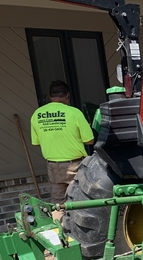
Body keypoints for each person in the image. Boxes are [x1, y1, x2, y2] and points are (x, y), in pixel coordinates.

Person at [31, 80, 94, 222]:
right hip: (75, 165)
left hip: (53, 166)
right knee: (80, 200)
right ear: (67, 96)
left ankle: (59, 236)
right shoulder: (74, 112)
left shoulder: (37, 114)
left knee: (58, 203)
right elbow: (89, 140)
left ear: (50, 96)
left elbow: (36, 142)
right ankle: (79, 234)